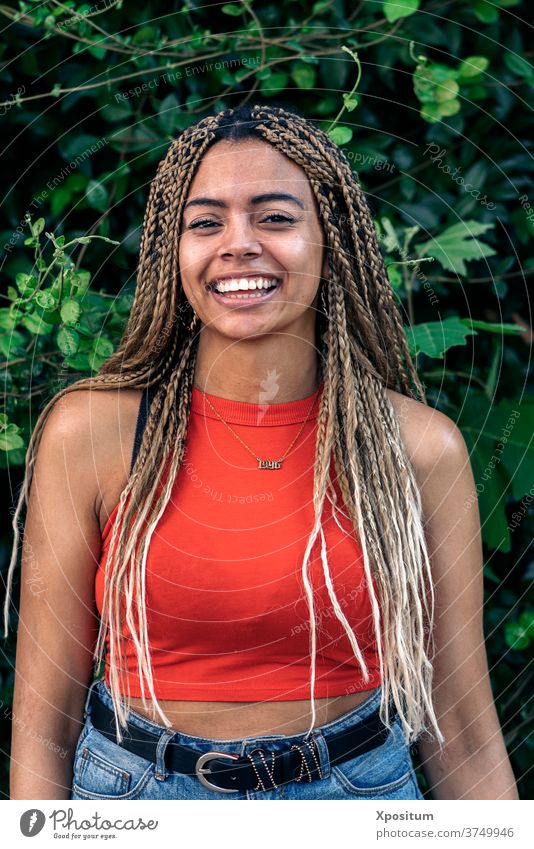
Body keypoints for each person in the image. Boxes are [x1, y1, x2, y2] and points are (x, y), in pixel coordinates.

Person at [5, 103, 518, 800]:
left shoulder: (419, 450)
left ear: (330, 240)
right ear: (172, 251)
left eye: (275, 217)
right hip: (138, 801)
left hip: (355, 795)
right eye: (205, 221)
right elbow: (44, 727)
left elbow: (459, 722)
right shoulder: (92, 434)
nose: (237, 243)